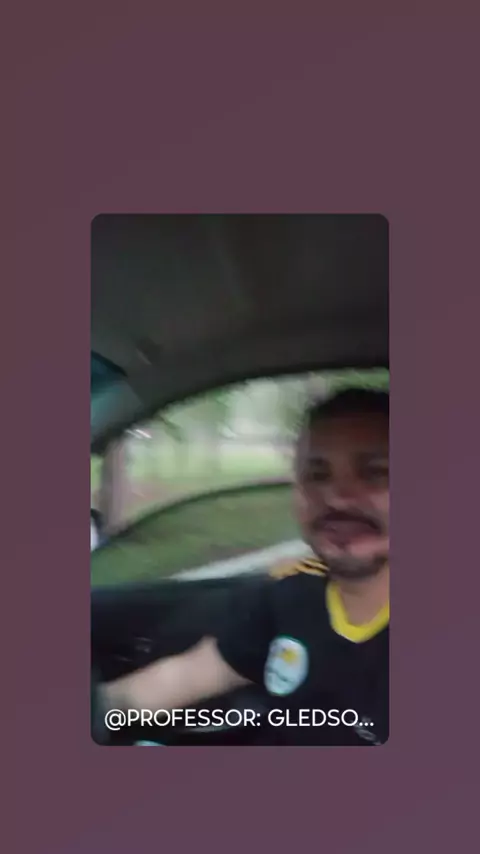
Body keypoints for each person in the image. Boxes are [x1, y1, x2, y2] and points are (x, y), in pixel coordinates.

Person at [101, 388, 389, 746]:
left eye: (377, 473)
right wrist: (98, 708)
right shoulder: (289, 596)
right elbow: (186, 676)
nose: (337, 497)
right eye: (317, 475)